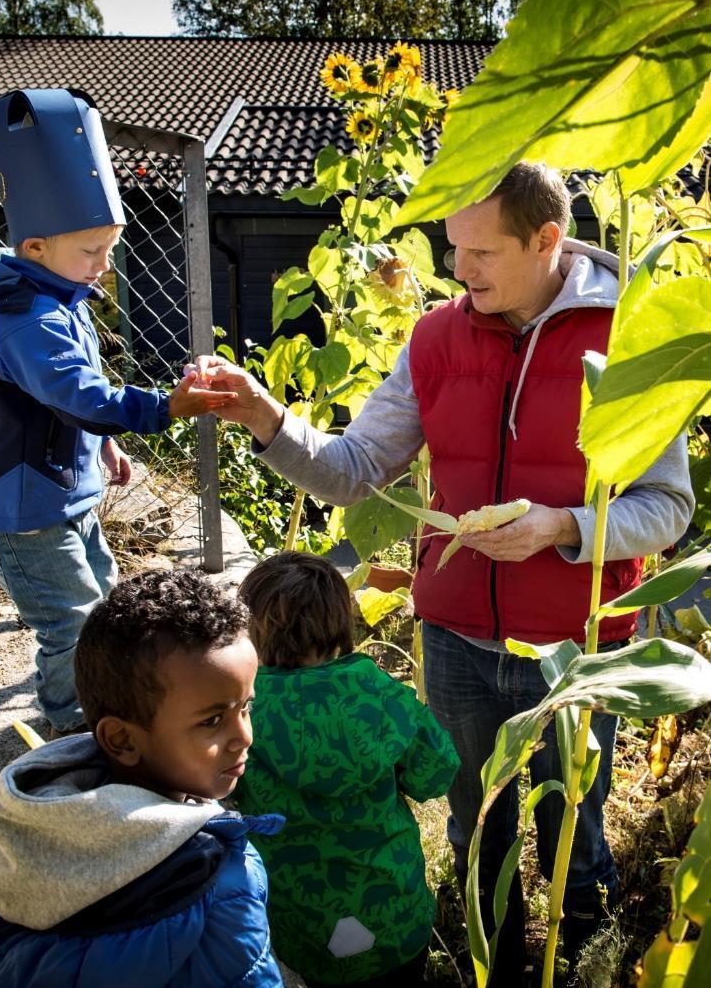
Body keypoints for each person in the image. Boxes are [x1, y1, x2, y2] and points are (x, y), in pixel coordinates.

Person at [186, 162, 695, 983]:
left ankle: (585, 960)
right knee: (474, 819)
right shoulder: (435, 338)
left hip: (581, 643)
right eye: (452, 247)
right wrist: (266, 417)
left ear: (546, 240)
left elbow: (665, 508)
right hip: (455, 639)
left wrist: (559, 528)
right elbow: (353, 469)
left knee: (578, 822)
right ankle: (490, 955)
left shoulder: (630, 338)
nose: (458, 270)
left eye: (481, 252)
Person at [0, 88, 235, 737]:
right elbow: (81, 394)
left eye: (110, 247)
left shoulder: (62, 292)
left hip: (64, 496)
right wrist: (165, 407)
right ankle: (72, 735)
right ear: (35, 247)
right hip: (25, 514)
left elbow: (72, 395)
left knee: (104, 607)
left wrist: (102, 447)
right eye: (90, 252)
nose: (103, 266)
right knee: (73, 625)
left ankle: (96, 708)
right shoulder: (27, 318)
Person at [0, 569, 284, 988]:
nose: (243, 737)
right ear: (121, 738)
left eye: (245, 708)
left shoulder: (6, 820)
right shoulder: (223, 882)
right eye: (213, 720)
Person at [232, 552, 459, 987]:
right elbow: (436, 773)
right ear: (340, 620)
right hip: (392, 909)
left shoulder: (241, 707)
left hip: (301, 917)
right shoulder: (377, 693)